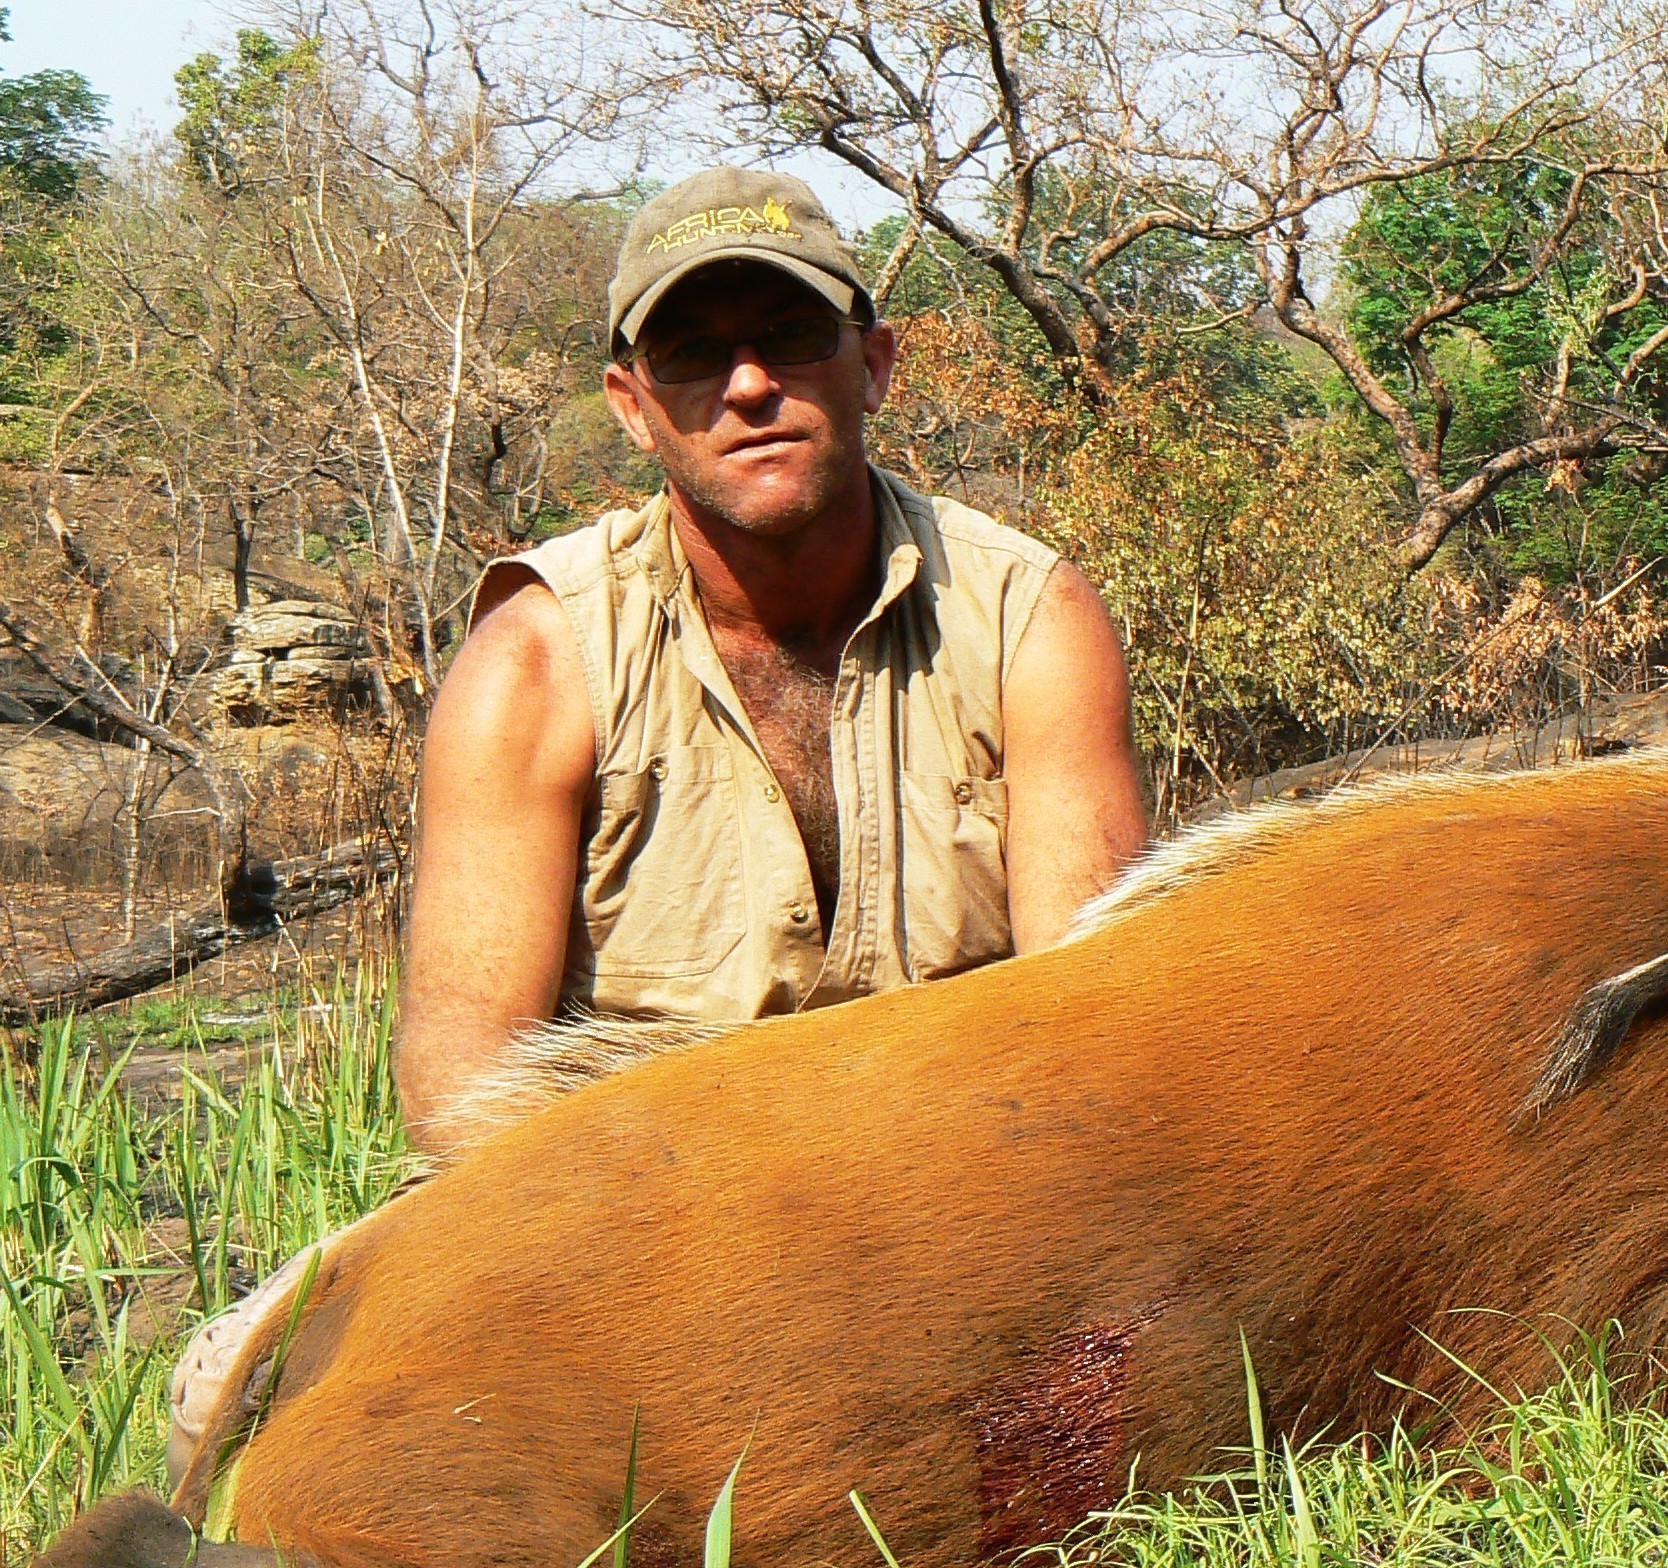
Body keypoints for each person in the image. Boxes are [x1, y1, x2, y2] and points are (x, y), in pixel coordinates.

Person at [164, 167, 1150, 1483]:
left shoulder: (1032, 619)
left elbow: (1100, 1042)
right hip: (629, 1223)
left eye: (792, 340)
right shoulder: (535, 659)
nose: (749, 387)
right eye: (694, 354)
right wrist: (730, 1247)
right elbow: (460, 1105)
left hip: (951, 1210)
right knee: (222, 1401)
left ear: (875, 363)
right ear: (633, 406)